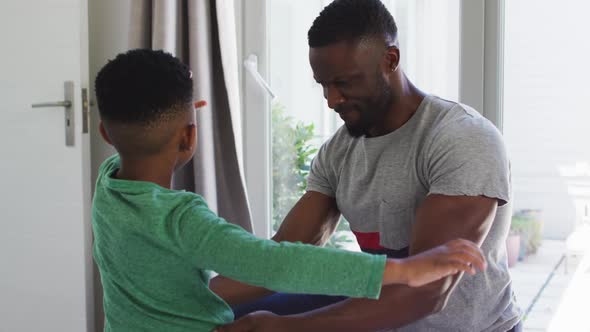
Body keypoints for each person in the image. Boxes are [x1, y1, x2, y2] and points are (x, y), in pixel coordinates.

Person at [91, 49, 486, 332]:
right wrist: (405, 268)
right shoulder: (180, 218)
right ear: (190, 137)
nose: (332, 98)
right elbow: (274, 262)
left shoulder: (107, 187)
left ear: (106, 133)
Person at [214, 0, 522, 331]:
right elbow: (280, 261)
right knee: (217, 312)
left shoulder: (462, 139)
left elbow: (428, 292)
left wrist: (286, 328)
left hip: (461, 325)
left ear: (390, 59)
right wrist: (171, 296)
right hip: (384, 314)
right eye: (323, 85)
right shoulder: (339, 151)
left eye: (344, 83)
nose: (332, 100)